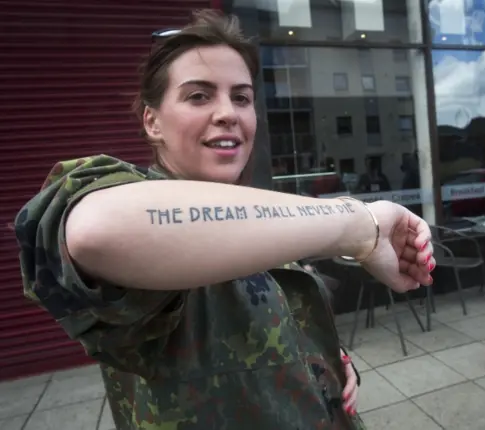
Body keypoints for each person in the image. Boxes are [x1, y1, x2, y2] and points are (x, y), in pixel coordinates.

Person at [12, 10, 436, 430]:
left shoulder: (259, 216)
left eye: (241, 97)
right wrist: (361, 225)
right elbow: (96, 232)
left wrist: (324, 360)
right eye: (199, 95)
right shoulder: (124, 195)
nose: (228, 112)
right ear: (151, 120)